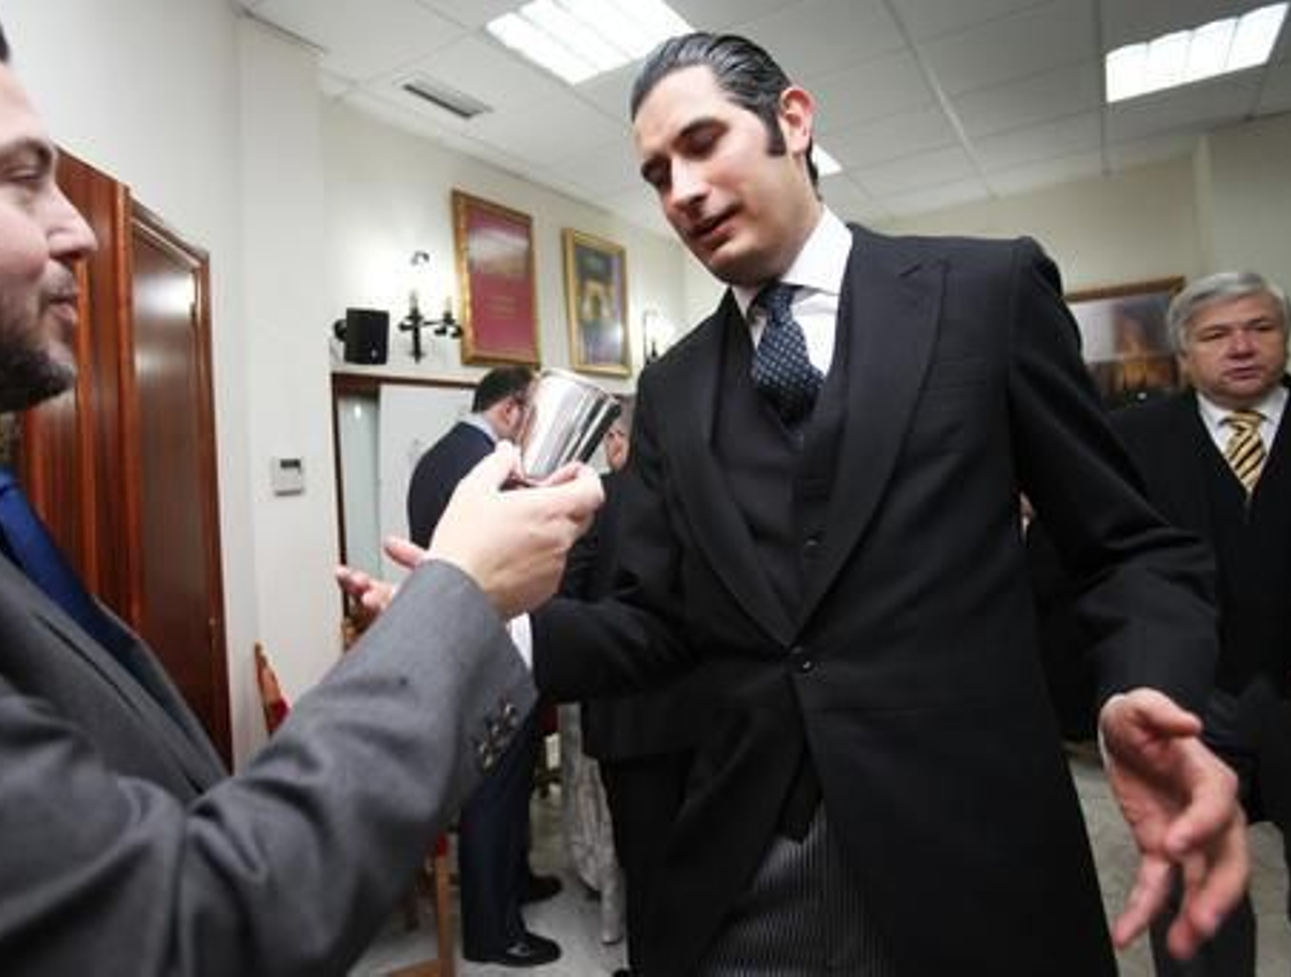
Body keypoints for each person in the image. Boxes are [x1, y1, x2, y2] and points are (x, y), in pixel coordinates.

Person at [0, 3, 601, 973]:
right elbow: (165, 930)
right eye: (21, 178)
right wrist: (460, 594)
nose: (80, 230)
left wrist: (425, 620)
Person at [521, 32, 1250, 975]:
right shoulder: (672, 387)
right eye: (659, 174)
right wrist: (489, 629)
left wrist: (1143, 681)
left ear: (793, 120)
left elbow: (1128, 546)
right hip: (745, 874)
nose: (683, 191)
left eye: (702, 143)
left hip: (971, 857)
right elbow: (656, 623)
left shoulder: (983, 295)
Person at [1083, 271, 1291, 975]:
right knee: (1197, 906)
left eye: (1260, 328)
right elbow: (1093, 569)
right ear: (1184, 351)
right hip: (1188, 708)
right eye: (1216, 334)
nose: (1241, 347)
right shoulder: (1126, 442)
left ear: (1285, 336)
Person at [406, 365, 564, 968]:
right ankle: (493, 932)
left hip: (459, 635)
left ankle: (515, 880)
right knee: (494, 789)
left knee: (509, 777)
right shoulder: (486, 463)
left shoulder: (436, 458)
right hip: (488, 640)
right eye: (531, 417)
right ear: (510, 410)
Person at [558, 397, 697, 976]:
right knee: (697, 857)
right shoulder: (694, 494)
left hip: (625, 715)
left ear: (621, 438)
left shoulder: (601, 500)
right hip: (698, 709)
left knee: (643, 864)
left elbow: (567, 595)